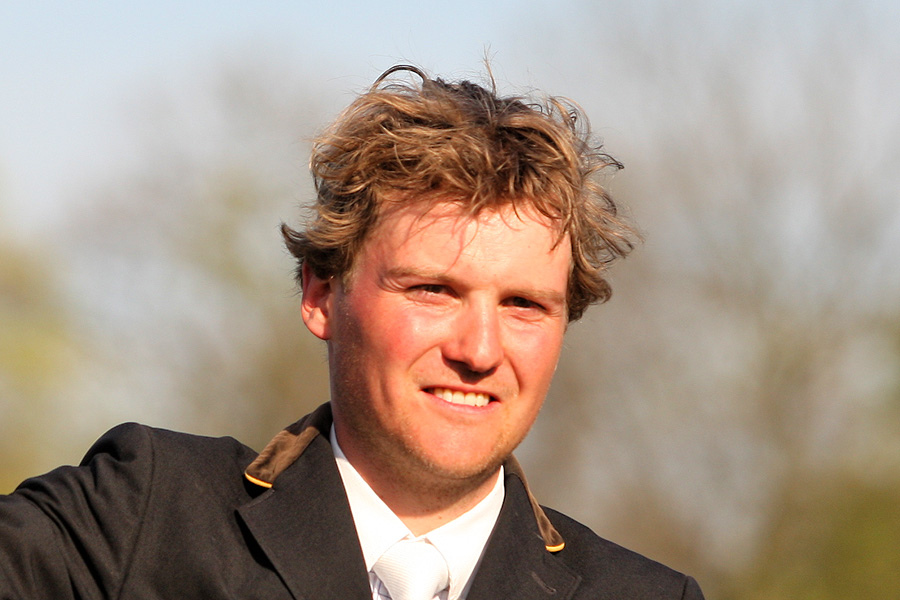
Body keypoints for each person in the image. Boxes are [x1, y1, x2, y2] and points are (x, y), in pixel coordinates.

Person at [0, 65, 705, 599]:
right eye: (433, 290)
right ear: (321, 295)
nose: (480, 351)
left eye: (524, 305)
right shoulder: (141, 516)